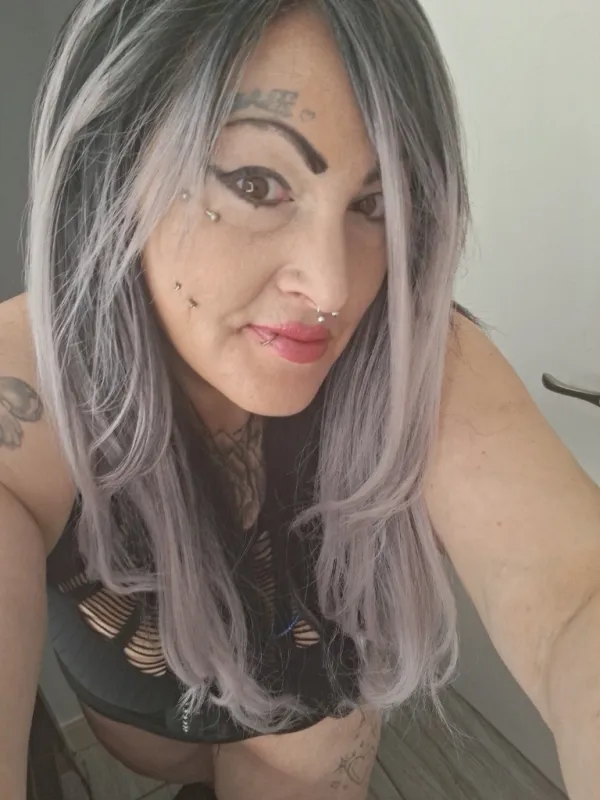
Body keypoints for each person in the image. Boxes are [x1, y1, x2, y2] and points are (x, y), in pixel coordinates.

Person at [1, 0, 599, 798]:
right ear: (110, 170)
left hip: (311, 733)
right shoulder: (29, 388)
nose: (333, 286)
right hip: (143, 735)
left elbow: (575, 594)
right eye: (258, 184)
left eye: (373, 204)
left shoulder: (415, 355)